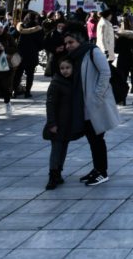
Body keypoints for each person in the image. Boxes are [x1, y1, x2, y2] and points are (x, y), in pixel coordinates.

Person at [63, 24, 120, 186]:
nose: (68, 46)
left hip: (95, 104)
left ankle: (102, 172)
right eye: (66, 43)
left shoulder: (92, 51)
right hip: (84, 104)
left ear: (79, 41)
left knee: (97, 139)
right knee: (92, 138)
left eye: (71, 42)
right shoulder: (75, 56)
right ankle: (97, 169)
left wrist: (97, 95)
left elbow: (105, 72)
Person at [43, 56, 81, 190]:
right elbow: (50, 104)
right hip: (58, 123)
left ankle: (58, 172)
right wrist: (52, 123)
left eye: (68, 68)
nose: (65, 71)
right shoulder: (56, 83)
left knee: (63, 148)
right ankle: (52, 175)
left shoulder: (74, 81)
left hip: (68, 123)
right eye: (62, 68)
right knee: (56, 149)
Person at [13, 12, 43, 99]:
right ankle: (27, 92)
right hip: (32, 54)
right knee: (30, 74)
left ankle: (14, 91)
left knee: (18, 73)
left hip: (20, 54)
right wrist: (36, 49)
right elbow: (41, 44)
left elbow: (13, 36)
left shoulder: (20, 27)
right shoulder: (38, 29)